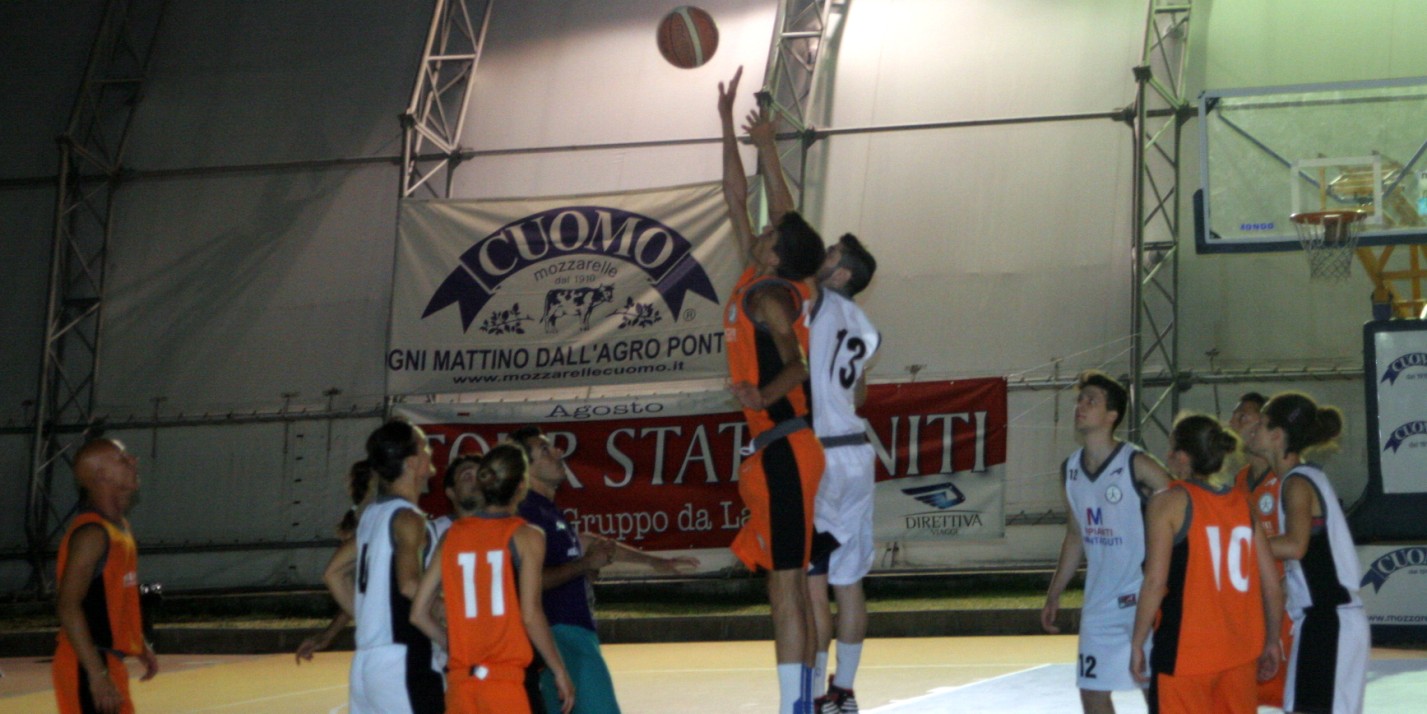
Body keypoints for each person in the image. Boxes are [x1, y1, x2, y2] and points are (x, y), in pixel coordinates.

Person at [745, 97, 882, 714]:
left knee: (807, 582)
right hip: (859, 455)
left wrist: (768, 148)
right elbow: (861, 392)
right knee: (849, 583)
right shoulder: (864, 326)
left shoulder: (817, 303)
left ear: (842, 275)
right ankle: (843, 692)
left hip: (822, 454)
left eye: (831, 258)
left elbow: (787, 219)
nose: (820, 258)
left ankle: (805, 696)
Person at [719, 66, 829, 714]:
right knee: (785, 586)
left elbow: (798, 365)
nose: (760, 227)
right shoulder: (755, 277)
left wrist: (764, 396)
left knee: (788, 587)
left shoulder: (770, 296)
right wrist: (729, 127)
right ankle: (802, 700)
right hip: (776, 451)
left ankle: (796, 706)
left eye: (770, 234)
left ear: (778, 254)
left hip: (786, 447)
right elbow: (735, 199)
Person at [512, 425, 699, 714]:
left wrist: (655, 562)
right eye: (545, 450)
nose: (558, 452)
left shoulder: (547, 511)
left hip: (565, 635)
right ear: (525, 468)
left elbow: (588, 543)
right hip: (562, 634)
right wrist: (583, 565)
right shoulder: (528, 514)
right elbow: (531, 582)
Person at [1130, 414, 1283, 713]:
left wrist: (1137, 642)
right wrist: (1272, 640)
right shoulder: (1243, 503)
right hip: (1239, 656)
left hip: (1186, 656)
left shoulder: (1168, 502)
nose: (1167, 456)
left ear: (1183, 457)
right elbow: (1271, 585)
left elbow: (1155, 583)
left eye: (1171, 448)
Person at [1041, 370, 1171, 714]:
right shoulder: (1069, 469)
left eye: (1091, 401)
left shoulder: (1137, 463)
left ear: (1112, 415)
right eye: (1080, 400)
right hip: (1100, 601)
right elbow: (1075, 535)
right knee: (1092, 691)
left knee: (1156, 692)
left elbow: (1181, 505)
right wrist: (1055, 592)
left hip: (1142, 595)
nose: (1081, 406)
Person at [411, 444, 575, 714]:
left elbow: (418, 613)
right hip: (505, 682)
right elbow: (530, 614)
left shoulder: (451, 535)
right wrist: (559, 669)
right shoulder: (527, 536)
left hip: (461, 683)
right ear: (522, 485)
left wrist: (455, 646)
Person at [1246, 392, 1369, 714]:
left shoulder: (1296, 483)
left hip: (1328, 620)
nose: (1252, 430)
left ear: (1277, 435)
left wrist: (1238, 543)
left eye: (1261, 424)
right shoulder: (1299, 479)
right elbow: (1296, 566)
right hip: (1323, 619)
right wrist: (1272, 636)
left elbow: (1295, 545)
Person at [324, 419, 443, 714]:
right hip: (402, 660)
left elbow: (333, 573)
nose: (430, 451)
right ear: (412, 463)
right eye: (425, 446)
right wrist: (454, 615)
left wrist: (369, 619)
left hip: (366, 662)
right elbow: (410, 585)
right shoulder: (408, 518)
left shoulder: (373, 515)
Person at [53, 438, 159, 714]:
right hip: (87, 664)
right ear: (101, 475)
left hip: (107, 662)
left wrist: (139, 644)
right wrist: (96, 675)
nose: (133, 461)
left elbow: (115, 596)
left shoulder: (119, 527)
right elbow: (67, 606)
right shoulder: (92, 534)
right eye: (122, 459)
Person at [1227, 391, 1293, 708]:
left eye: (1244, 415)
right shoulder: (1240, 480)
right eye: (1234, 416)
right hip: (1252, 606)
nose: (1235, 423)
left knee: (1290, 694)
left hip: (1286, 604)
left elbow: (1302, 543)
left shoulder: (1290, 479)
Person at [296, 460, 376, 665]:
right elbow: (338, 577)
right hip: (392, 638)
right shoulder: (384, 520)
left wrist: (329, 635)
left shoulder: (364, 519)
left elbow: (357, 591)